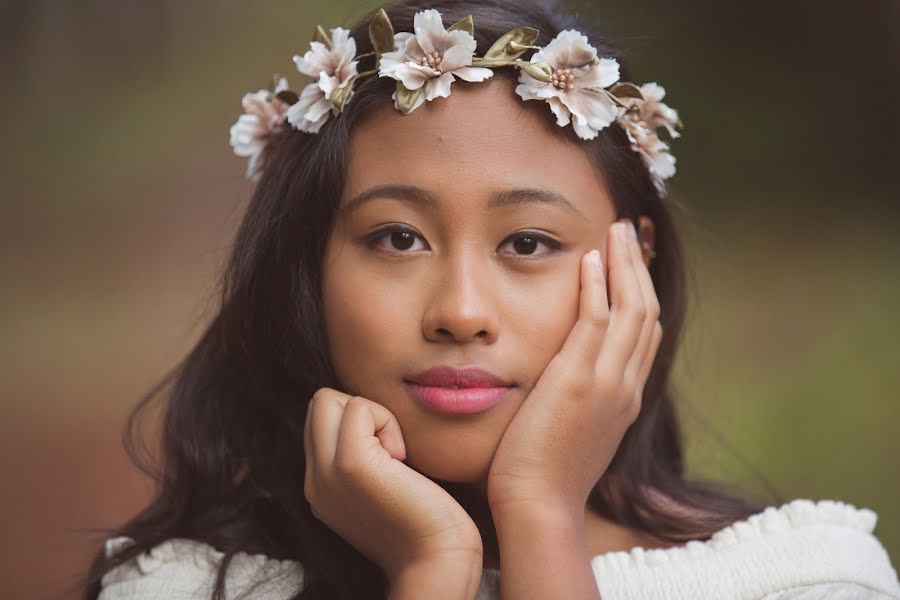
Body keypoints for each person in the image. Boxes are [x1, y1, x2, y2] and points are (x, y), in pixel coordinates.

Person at [81, 0, 900, 598]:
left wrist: (540, 514)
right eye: (397, 238)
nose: (461, 311)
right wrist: (432, 568)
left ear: (632, 266)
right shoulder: (183, 587)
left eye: (528, 243)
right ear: (306, 266)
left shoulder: (803, 583)